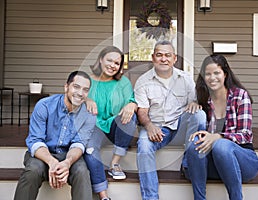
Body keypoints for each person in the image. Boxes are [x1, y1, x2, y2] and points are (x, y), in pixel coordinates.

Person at [134, 40, 206, 200]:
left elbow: (193, 103)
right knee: (144, 146)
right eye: (159, 55)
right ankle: (151, 197)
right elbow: (142, 111)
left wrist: (194, 103)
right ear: (153, 58)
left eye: (168, 55)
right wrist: (149, 125)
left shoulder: (185, 78)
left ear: (174, 58)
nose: (163, 59)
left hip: (181, 128)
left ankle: (188, 162)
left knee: (200, 115)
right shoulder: (143, 81)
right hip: (157, 130)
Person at [184, 54, 258, 200]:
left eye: (216, 73)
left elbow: (245, 134)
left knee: (221, 145)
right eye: (208, 74)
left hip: (243, 161)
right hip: (214, 164)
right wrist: (194, 105)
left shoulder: (239, 96)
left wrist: (218, 136)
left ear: (225, 74)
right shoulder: (203, 99)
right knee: (195, 145)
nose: (212, 78)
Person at [14, 71, 99, 200]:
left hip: (69, 154)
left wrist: (67, 163)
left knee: (82, 171)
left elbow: (79, 144)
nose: (80, 93)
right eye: (76, 87)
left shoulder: (89, 114)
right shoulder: (44, 105)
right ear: (66, 87)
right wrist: (52, 162)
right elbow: (36, 140)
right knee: (33, 170)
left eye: (85, 90)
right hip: (42, 154)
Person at [83, 46, 137, 197]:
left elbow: (132, 101)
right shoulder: (87, 80)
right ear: (100, 60)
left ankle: (114, 163)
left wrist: (131, 104)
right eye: (109, 60)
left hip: (115, 128)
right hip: (94, 127)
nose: (113, 65)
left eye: (117, 63)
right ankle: (103, 196)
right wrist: (86, 99)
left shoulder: (123, 83)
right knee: (90, 150)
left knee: (130, 115)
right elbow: (73, 97)